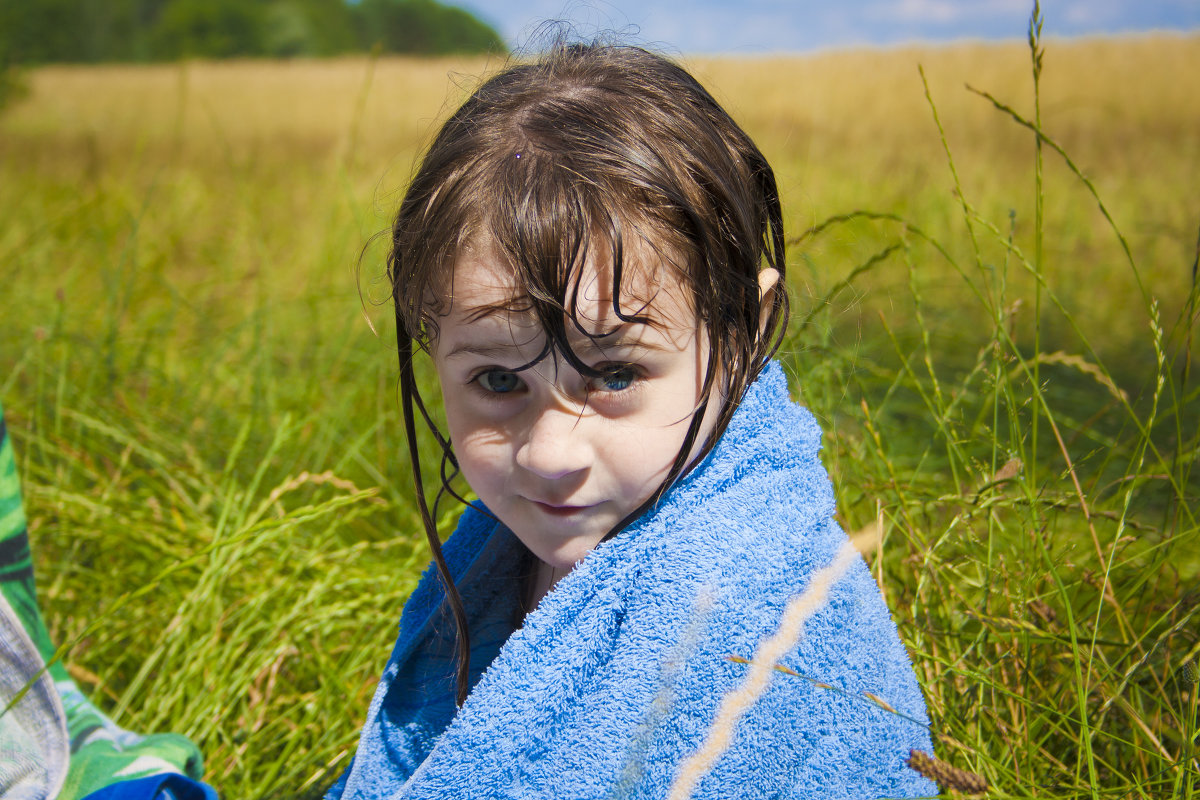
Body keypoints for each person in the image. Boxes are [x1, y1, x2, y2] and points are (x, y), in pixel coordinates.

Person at [327, 41, 936, 799]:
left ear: (744, 326)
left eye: (616, 373)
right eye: (496, 380)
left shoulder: (742, 608)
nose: (552, 454)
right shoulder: (512, 549)